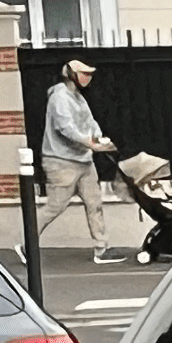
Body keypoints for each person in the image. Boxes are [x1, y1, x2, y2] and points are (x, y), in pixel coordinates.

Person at [38, 58, 124, 264]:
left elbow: (90, 121)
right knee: (55, 206)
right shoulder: (59, 97)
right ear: (71, 75)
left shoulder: (78, 98)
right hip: (61, 161)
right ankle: (26, 244)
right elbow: (65, 127)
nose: (88, 78)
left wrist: (99, 138)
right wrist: (89, 142)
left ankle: (101, 249)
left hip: (83, 159)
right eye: (84, 74)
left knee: (95, 203)